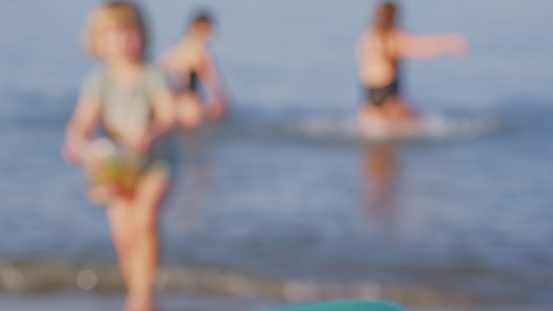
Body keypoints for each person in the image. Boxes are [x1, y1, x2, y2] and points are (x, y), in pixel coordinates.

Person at [62, 2, 174, 310]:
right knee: (124, 233)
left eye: (129, 33)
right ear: (98, 41)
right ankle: (136, 291)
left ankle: (144, 295)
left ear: (142, 35)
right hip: (116, 167)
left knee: (144, 220)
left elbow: (167, 115)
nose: (123, 41)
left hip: (154, 163)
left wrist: (151, 132)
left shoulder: (153, 75)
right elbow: (83, 119)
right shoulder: (100, 80)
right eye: (113, 34)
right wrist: (75, 140)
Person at [357, 1, 468, 134]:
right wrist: (448, 43)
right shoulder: (392, 38)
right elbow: (419, 47)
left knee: (376, 142)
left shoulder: (368, 37)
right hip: (388, 95)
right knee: (422, 126)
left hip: (369, 94)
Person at [161, 11, 228, 129]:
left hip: (172, 99)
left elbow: (162, 65)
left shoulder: (181, 46)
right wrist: (220, 99)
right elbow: (212, 79)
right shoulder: (200, 51)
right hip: (189, 101)